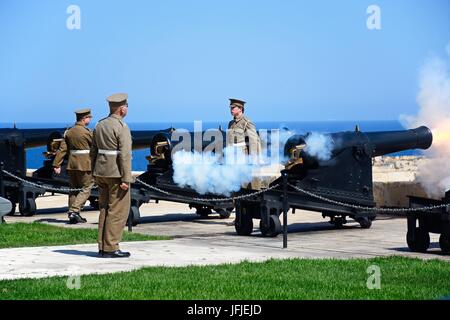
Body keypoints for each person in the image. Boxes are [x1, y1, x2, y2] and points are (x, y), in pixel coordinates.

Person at [91, 93, 133, 258]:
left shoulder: (100, 125)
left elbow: (93, 151)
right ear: (122, 109)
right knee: (118, 211)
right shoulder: (121, 127)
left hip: (101, 172)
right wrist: (126, 178)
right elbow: (124, 155)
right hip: (116, 173)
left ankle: (102, 246)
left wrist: (94, 172)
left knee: (104, 209)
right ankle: (111, 247)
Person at [53, 108, 94, 224]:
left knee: (73, 190)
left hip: (72, 164)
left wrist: (57, 164)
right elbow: (95, 147)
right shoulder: (87, 132)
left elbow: (62, 149)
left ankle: (73, 216)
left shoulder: (69, 131)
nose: (90, 120)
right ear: (84, 118)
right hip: (85, 164)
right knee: (86, 188)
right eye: (89, 118)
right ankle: (74, 211)